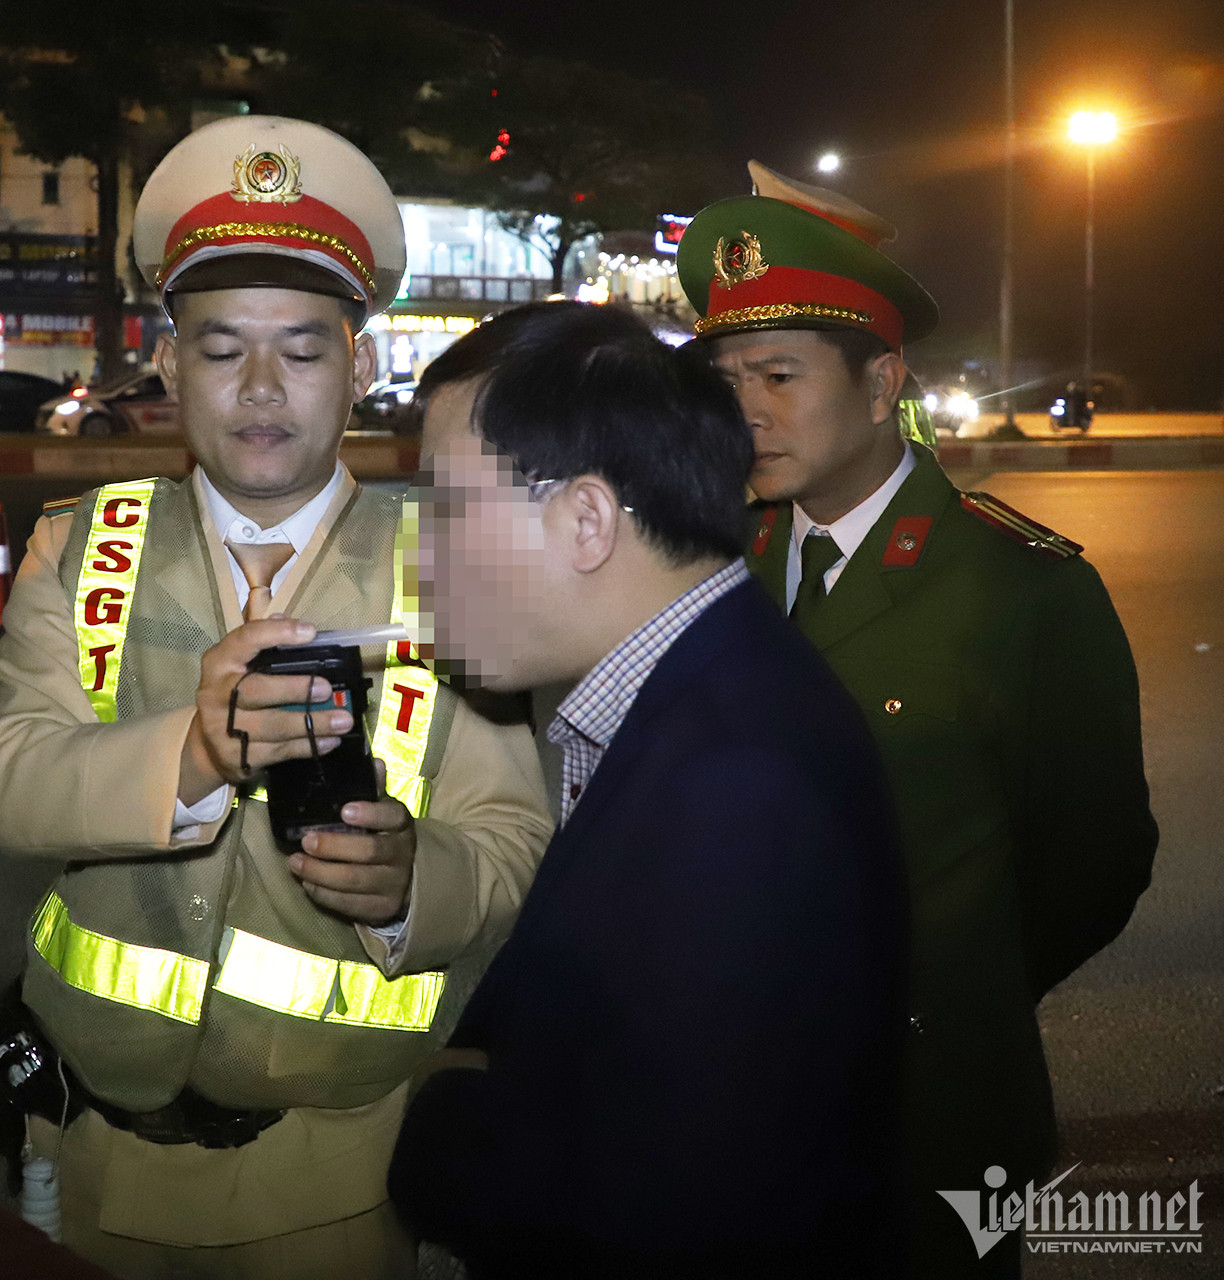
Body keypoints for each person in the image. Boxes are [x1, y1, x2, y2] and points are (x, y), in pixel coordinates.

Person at [0, 116, 552, 1279]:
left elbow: (511, 837)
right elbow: (6, 784)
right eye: (222, 346)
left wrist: (412, 886)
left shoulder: (456, 567)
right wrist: (191, 753)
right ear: (169, 364)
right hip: (92, 1147)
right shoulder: (83, 548)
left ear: (361, 368)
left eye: (302, 347)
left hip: (334, 1173)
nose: (260, 387)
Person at [678, 162, 1157, 1276]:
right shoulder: (713, 566)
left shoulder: (1021, 587)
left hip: (931, 1119)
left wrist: (948, 989)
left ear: (881, 381)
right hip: (732, 1112)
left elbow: (1096, 860)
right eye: (727, 379)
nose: (746, 410)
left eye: (780, 375)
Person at [386, 302, 909, 1276]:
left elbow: (672, 1199)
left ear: (586, 520)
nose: (420, 563)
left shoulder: (736, 782)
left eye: (446, 513)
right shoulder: (697, 689)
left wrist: (440, 1127)